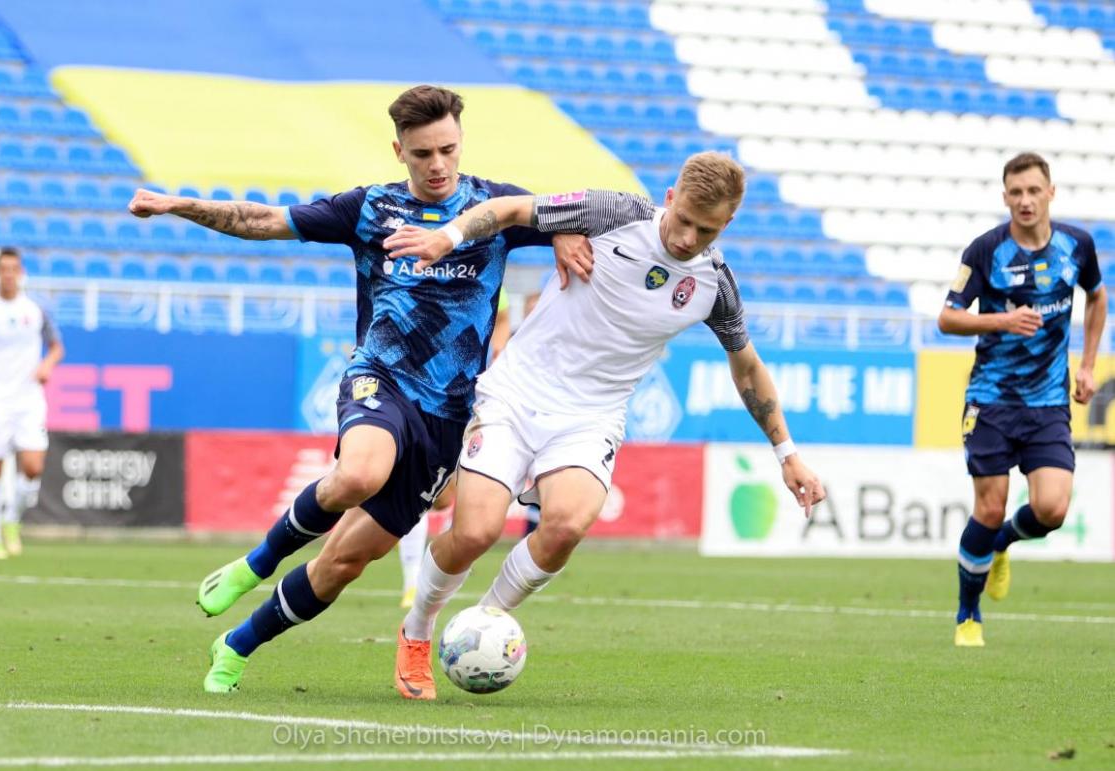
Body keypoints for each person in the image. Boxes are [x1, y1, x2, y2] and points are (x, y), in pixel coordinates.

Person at [128, 84, 590, 693]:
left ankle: (237, 645)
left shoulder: (493, 207)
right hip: (381, 378)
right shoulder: (371, 207)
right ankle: (255, 564)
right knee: (358, 474)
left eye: (447, 150)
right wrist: (177, 204)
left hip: (448, 416)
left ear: (460, 143)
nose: (437, 165)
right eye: (422, 153)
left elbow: (582, 212)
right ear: (399, 151)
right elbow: (266, 221)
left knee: (343, 563)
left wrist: (561, 230)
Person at [384, 151, 826, 700]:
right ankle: (417, 630)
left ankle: (484, 624)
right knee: (475, 532)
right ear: (669, 198)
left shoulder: (715, 285)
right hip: (516, 393)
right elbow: (512, 210)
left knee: (566, 526)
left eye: (707, 230)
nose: (688, 238)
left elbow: (748, 368)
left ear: (728, 224)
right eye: (684, 219)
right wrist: (446, 238)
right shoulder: (614, 212)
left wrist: (787, 453)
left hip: (590, 418)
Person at [938, 152, 1106, 648]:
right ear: (1005, 197)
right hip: (991, 400)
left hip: (1048, 403)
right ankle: (968, 615)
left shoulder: (1077, 246)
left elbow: (1097, 297)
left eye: (1034, 190)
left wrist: (1088, 365)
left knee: (1052, 509)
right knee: (988, 508)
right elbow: (947, 318)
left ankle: (1003, 543)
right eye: (1016, 192)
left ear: (1050, 193)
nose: (1025, 200)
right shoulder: (986, 250)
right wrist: (1003, 320)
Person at [397, 288, 511, 608]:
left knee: (450, 493)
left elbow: (502, 316)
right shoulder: (416, 274)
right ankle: (412, 582)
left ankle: (439, 571)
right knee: (416, 486)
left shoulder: (480, 270)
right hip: (420, 391)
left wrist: (498, 352)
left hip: (469, 395)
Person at [0, 248, 64, 559]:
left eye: (13, 269)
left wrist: (46, 365)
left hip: (29, 399)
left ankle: (11, 519)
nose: (8, 274)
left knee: (33, 467)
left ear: (20, 273)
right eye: (3, 269)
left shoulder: (36, 308)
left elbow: (57, 347)